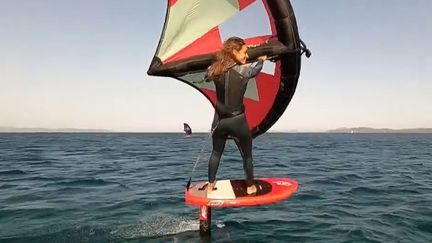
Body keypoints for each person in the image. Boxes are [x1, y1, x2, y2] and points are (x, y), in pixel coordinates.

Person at [205, 36, 267, 195]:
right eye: (245, 52)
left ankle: (210, 185)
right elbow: (256, 69)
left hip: (219, 122)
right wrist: (261, 59)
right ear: (234, 51)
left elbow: (207, 76)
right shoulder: (245, 70)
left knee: (216, 153)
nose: (247, 56)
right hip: (237, 121)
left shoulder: (214, 70)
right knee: (247, 155)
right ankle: (250, 186)